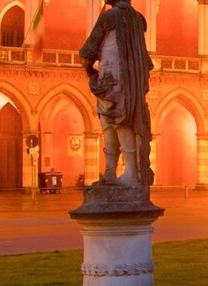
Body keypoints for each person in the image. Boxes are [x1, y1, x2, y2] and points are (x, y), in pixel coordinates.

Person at [80, 0, 154, 186]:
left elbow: (89, 50)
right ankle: (122, 172)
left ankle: (116, 172)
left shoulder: (109, 16)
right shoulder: (137, 19)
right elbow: (147, 60)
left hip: (110, 77)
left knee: (110, 122)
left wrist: (89, 67)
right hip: (132, 82)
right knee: (123, 121)